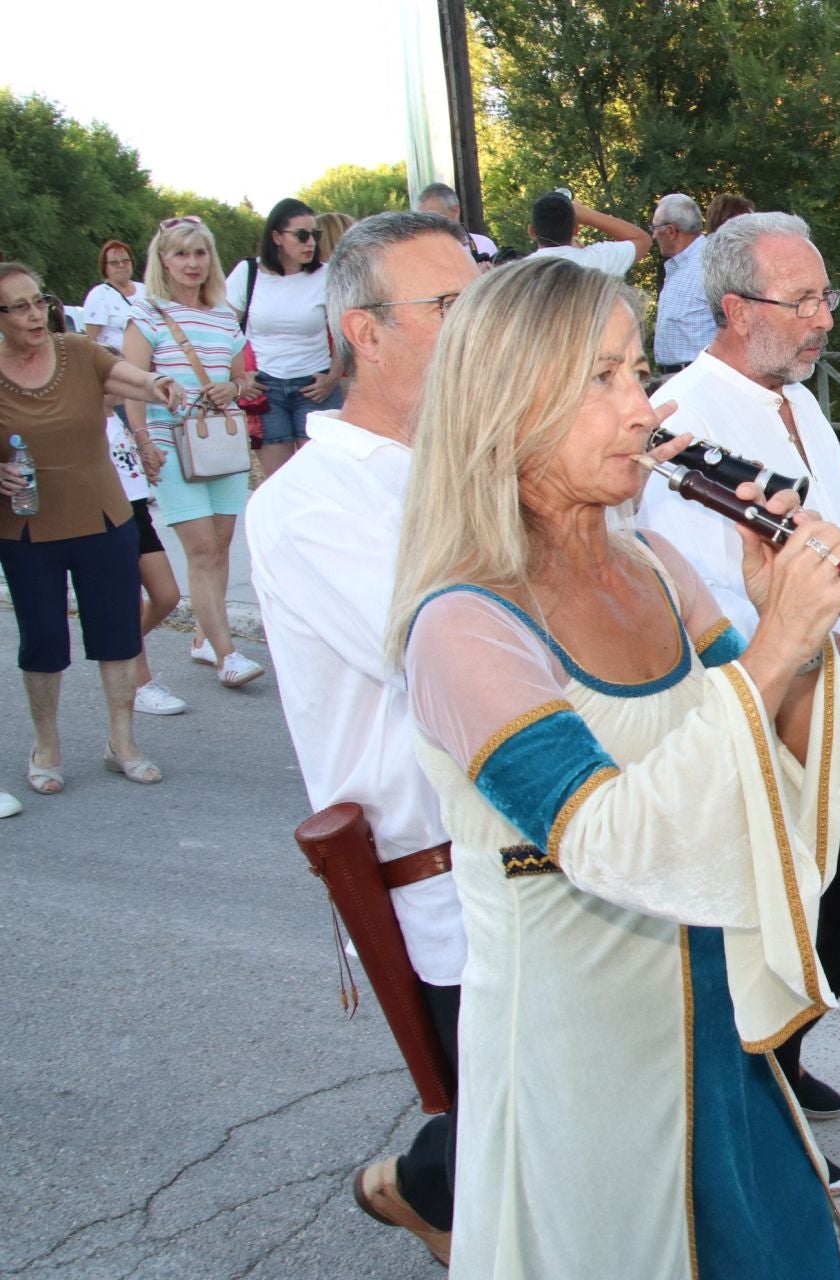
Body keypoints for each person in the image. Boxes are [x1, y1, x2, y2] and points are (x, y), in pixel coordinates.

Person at [391, 253, 840, 1277]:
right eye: (600, 379)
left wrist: (799, 620)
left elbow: (772, 760)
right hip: (583, 1058)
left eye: (634, 371)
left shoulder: (656, 566)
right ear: (506, 406)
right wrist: (778, 642)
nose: (641, 407)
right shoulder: (463, 622)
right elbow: (602, 837)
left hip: (715, 1027)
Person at [636, 211, 840, 1190]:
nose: (827, 316)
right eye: (807, 301)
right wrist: (813, 646)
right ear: (736, 309)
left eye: (826, 296)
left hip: (816, 700)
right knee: (805, 898)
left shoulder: (790, 396)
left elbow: (835, 526)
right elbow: (698, 586)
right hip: (759, 709)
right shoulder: (687, 415)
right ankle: (758, 1089)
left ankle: (782, 1052)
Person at [247, 211, 480, 1265]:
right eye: (448, 307)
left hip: (567, 848)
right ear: (364, 332)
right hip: (452, 893)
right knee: (533, 1147)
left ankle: (430, 1181)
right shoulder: (306, 504)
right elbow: (442, 654)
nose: (480, 327)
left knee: (572, 1122)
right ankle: (429, 1186)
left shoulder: (485, 460)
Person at [0, 262, 186, 795]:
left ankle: (121, 744)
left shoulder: (76, 352)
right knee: (43, 640)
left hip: (103, 516)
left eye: (40, 300)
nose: (36, 313)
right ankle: (46, 745)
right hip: (26, 527)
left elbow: (123, 375)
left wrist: (158, 382)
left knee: (118, 633)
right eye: (20, 306)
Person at [124, 217, 267, 688]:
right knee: (202, 547)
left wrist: (232, 386)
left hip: (219, 443)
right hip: (170, 443)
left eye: (200, 253)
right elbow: (130, 383)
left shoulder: (224, 315)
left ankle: (205, 637)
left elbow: (244, 380)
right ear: (163, 259)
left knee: (221, 546)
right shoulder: (146, 314)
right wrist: (144, 439)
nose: (192, 263)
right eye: (182, 254)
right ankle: (228, 655)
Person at [227, 197, 343, 478]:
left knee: (319, 479)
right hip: (266, 389)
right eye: (302, 235)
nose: (311, 243)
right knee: (278, 481)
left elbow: (345, 330)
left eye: (315, 235)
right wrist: (241, 376)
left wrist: (333, 376)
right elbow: (223, 328)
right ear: (277, 237)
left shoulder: (326, 276)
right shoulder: (248, 273)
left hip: (315, 386)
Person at [102, 409, 187, 716]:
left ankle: (117, 656)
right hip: (107, 512)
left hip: (138, 510)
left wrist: (146, 457)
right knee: (129, 603)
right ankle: (139, 684)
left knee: (167, 596)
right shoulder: (81, 414)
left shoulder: (116, 416)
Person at [649, 193, 716, 377]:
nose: (653, 235)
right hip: (678, 379)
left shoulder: (711, 264)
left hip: (700, 379)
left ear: (671, 231)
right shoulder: (680, 267)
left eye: (655, 228)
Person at [527, 189, 652, 276]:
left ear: (531, 231)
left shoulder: (516, 273)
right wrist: (588, 215)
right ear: (576, 230)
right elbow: (643, 240)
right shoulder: (597, 261)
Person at [81, 241, 146, 356]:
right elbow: (90, 342)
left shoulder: (146, 291)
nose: (121, 265)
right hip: (116, 365)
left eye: (125, 261)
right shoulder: (99, 295)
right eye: (114, 263)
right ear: (105, 268)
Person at [414, 182, 498, 262]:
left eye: (432, 218)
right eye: (422, 219)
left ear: (455, 211)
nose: (427, 224)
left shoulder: (484, 245)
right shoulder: (419, 251)